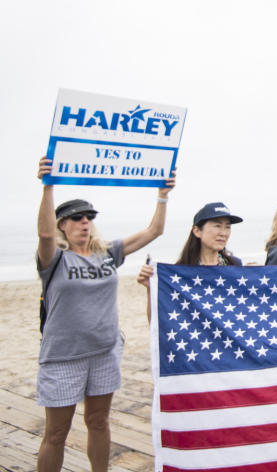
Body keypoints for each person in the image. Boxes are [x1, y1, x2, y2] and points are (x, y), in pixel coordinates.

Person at [35, 157, 174, 472]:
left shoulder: (107, 253)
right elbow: (43, 236)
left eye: (88, 217)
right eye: (76, 218)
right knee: (56, 433)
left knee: (99, 421)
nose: (84, 222)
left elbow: (154, 230)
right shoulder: (55, 259)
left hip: (104, 353)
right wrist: (48, 185)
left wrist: (163, 195)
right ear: (62, 225)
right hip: (63, 357)